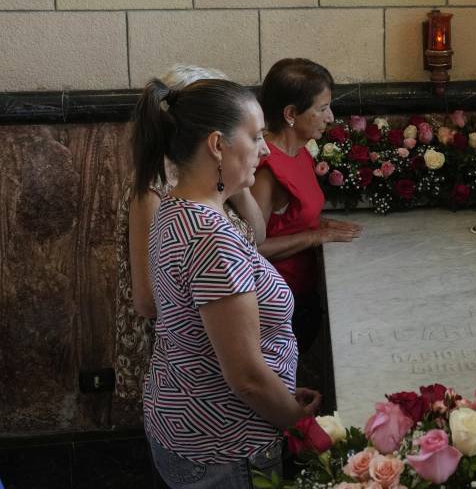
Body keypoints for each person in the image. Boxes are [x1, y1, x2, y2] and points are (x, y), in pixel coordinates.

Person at [131, 77, 319, 488]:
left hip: (186, 419)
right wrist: (297, 421)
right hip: (226, 447)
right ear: (217, 145)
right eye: (255, 137)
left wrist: (281, 389)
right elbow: (247, 378)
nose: (266, 149)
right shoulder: (211, 237)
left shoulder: (177, 206)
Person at [113, 65, 268, 422]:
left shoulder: (211, 179)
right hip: (184, 353)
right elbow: (148, 298)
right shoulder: (157, 187)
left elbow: (257, 236)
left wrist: (239, 184)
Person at [252, 58, 361, 354]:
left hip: (306, 291)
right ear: (290, 114)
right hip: (278, 305)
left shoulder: (299, 152)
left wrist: (322, 224)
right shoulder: (267, 169)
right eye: (322, 109)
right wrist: (315, 236)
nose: (331, 117)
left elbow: (292, 217)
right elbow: (249, 250)